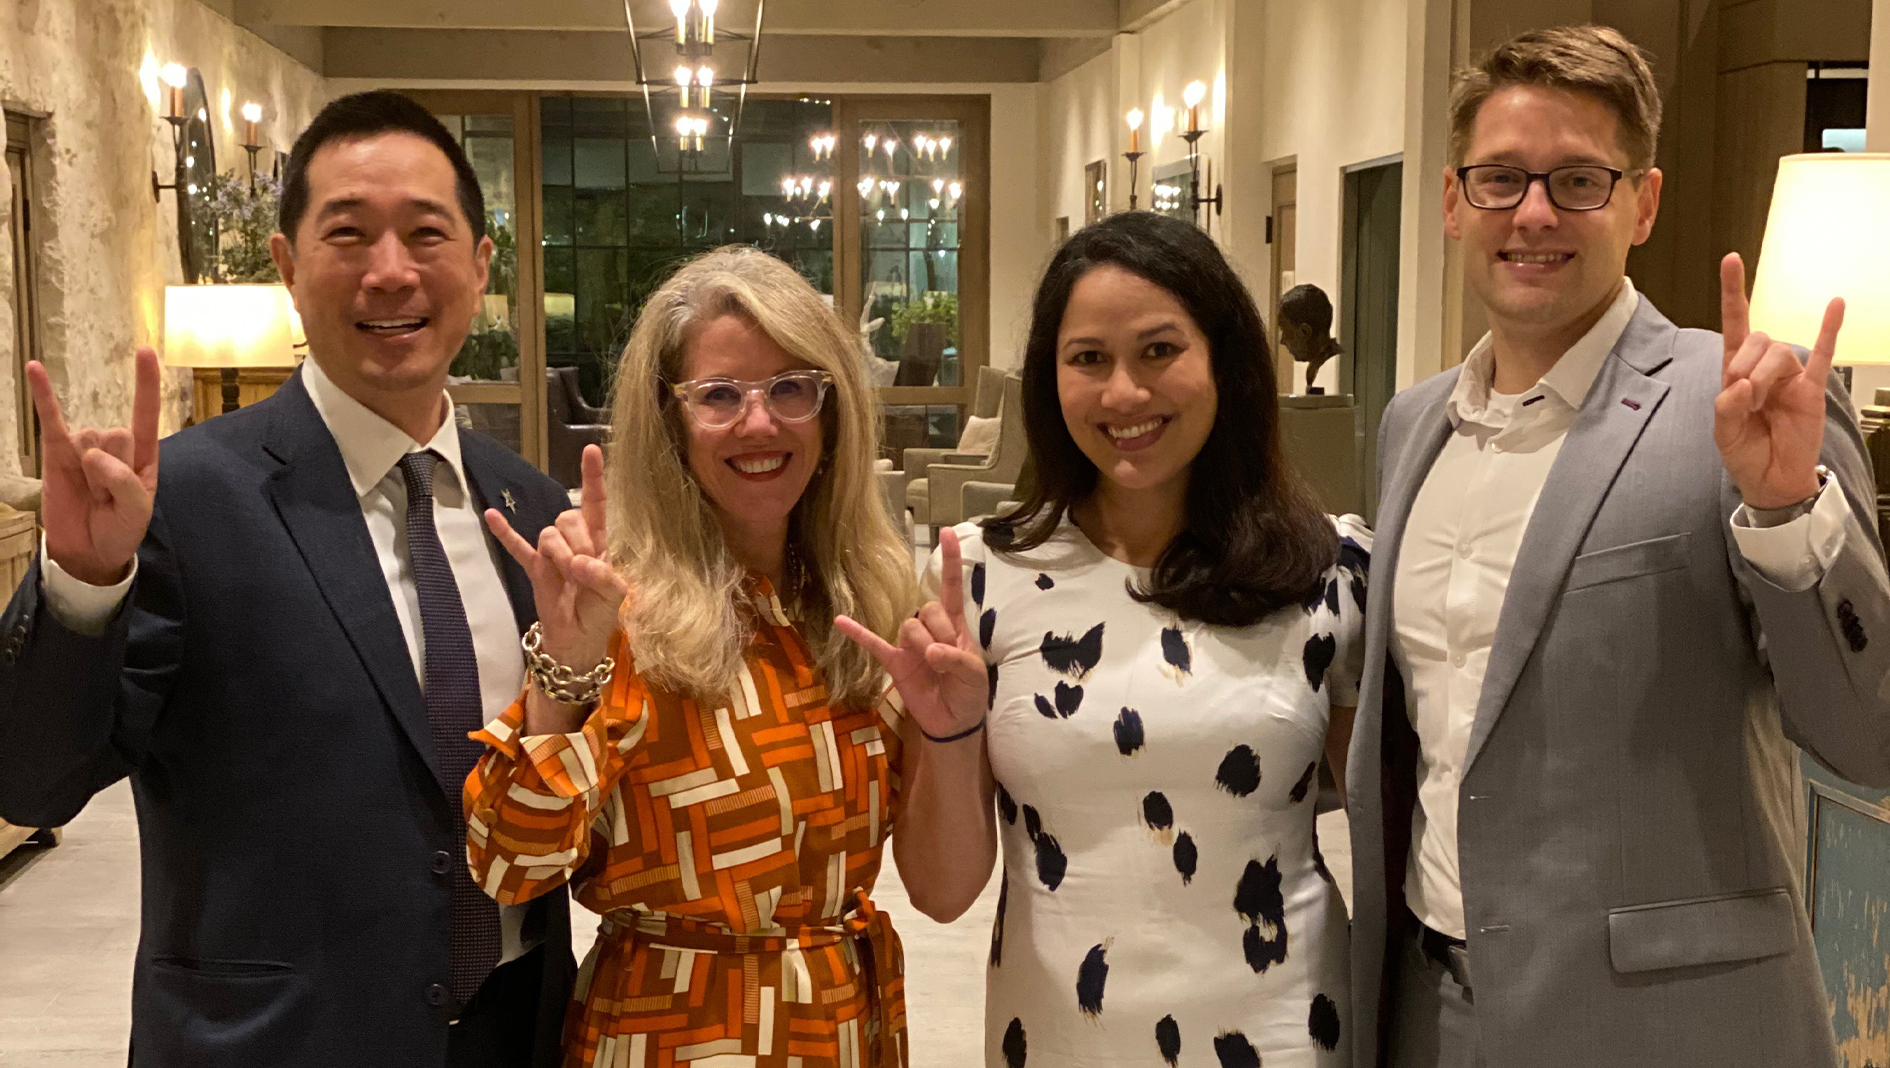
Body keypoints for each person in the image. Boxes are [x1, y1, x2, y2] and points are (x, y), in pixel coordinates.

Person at [1347, 25, 1890, 1068]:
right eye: (1501, 179)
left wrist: (1785, 515)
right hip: (1431, 1010)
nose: (1535, 213)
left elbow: (1865, 738)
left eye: (1580, 180)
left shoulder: (1739, 402)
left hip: (1663, 1029)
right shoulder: (1413, 427)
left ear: (1642, 203)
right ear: (1454, 200)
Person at [0, 90, 576, 1066]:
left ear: (480, 267)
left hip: (513, 1034)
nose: (390, 272)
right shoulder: (183, 498)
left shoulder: (531, 511)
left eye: (426, 234)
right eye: (347, 234)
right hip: (275, 1044)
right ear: (287, 267)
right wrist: (82, 583)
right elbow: (30, 778)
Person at [846, 211, 1368, 1067]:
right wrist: (945, 733)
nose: (1123, 394)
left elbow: (1396, 833)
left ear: (1226, 364)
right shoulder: (978, 578)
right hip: (1058, 1036)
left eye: (1160, 351)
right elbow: (941, 894)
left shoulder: (1326, 570)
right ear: (1049, 380)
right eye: (1088, 359)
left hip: (1284, 1033)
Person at [466, 246, 919, 1066]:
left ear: (832, 410)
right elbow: (509, 865)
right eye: (719, 395)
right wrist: (564, 673)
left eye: (791, 388)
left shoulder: (869, 606)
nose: (761, 422)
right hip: (669, 1032)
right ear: (669, 419)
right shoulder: (617, 608)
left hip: (839, 1025)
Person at [1280, 284, 1344, 395]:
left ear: (1305, 332)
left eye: (1286, 332)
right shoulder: (1319, 366)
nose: (1282, 341)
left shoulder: (1334, 372)